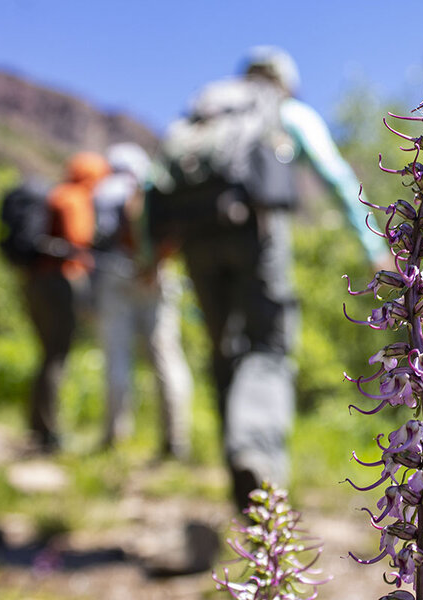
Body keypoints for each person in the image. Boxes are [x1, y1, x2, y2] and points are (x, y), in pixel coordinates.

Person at [148, 46, 390, 510]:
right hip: (257, 232)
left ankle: (239, 475)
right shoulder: (284, 110)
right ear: (284, 80)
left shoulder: (202, 114)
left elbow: (153, 181)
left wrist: (150, 256)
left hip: (196, 240)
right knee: (269, 345)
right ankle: (256, 459)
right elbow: (336, 176)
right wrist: (372, 246)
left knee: (224, 352)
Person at [93, 142, 193, 460]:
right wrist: (154, 263)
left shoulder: (102, 191)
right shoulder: (153, 187)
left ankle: (115, 436)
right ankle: (176, 440)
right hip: (157, 276)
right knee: (167, 355)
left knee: (117, 356)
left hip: (114, 275)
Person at [24, 151, 110, 452]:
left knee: (46, 354)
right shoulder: (74, 198)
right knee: (57, 355)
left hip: (35, 282)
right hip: (59, 282)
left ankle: (38, 426)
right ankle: (49, 432)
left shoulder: (55, 194)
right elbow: (78, 237)